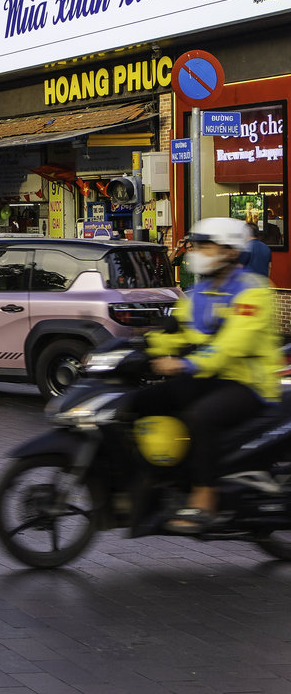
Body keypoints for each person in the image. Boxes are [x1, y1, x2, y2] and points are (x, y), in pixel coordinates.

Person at [141, 217, 282, 532]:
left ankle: (204, 497)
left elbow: (231, 344)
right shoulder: (199, 292)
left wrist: (184, 365)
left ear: (231, 252)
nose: (197, 252)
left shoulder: (253, 291)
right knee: (152, 399)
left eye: (206, 245)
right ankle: (168, 480)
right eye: (197, 245)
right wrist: (141, 348)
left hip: (250, 383)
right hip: (212, 377)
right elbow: (177, 332)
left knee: (200, 416)